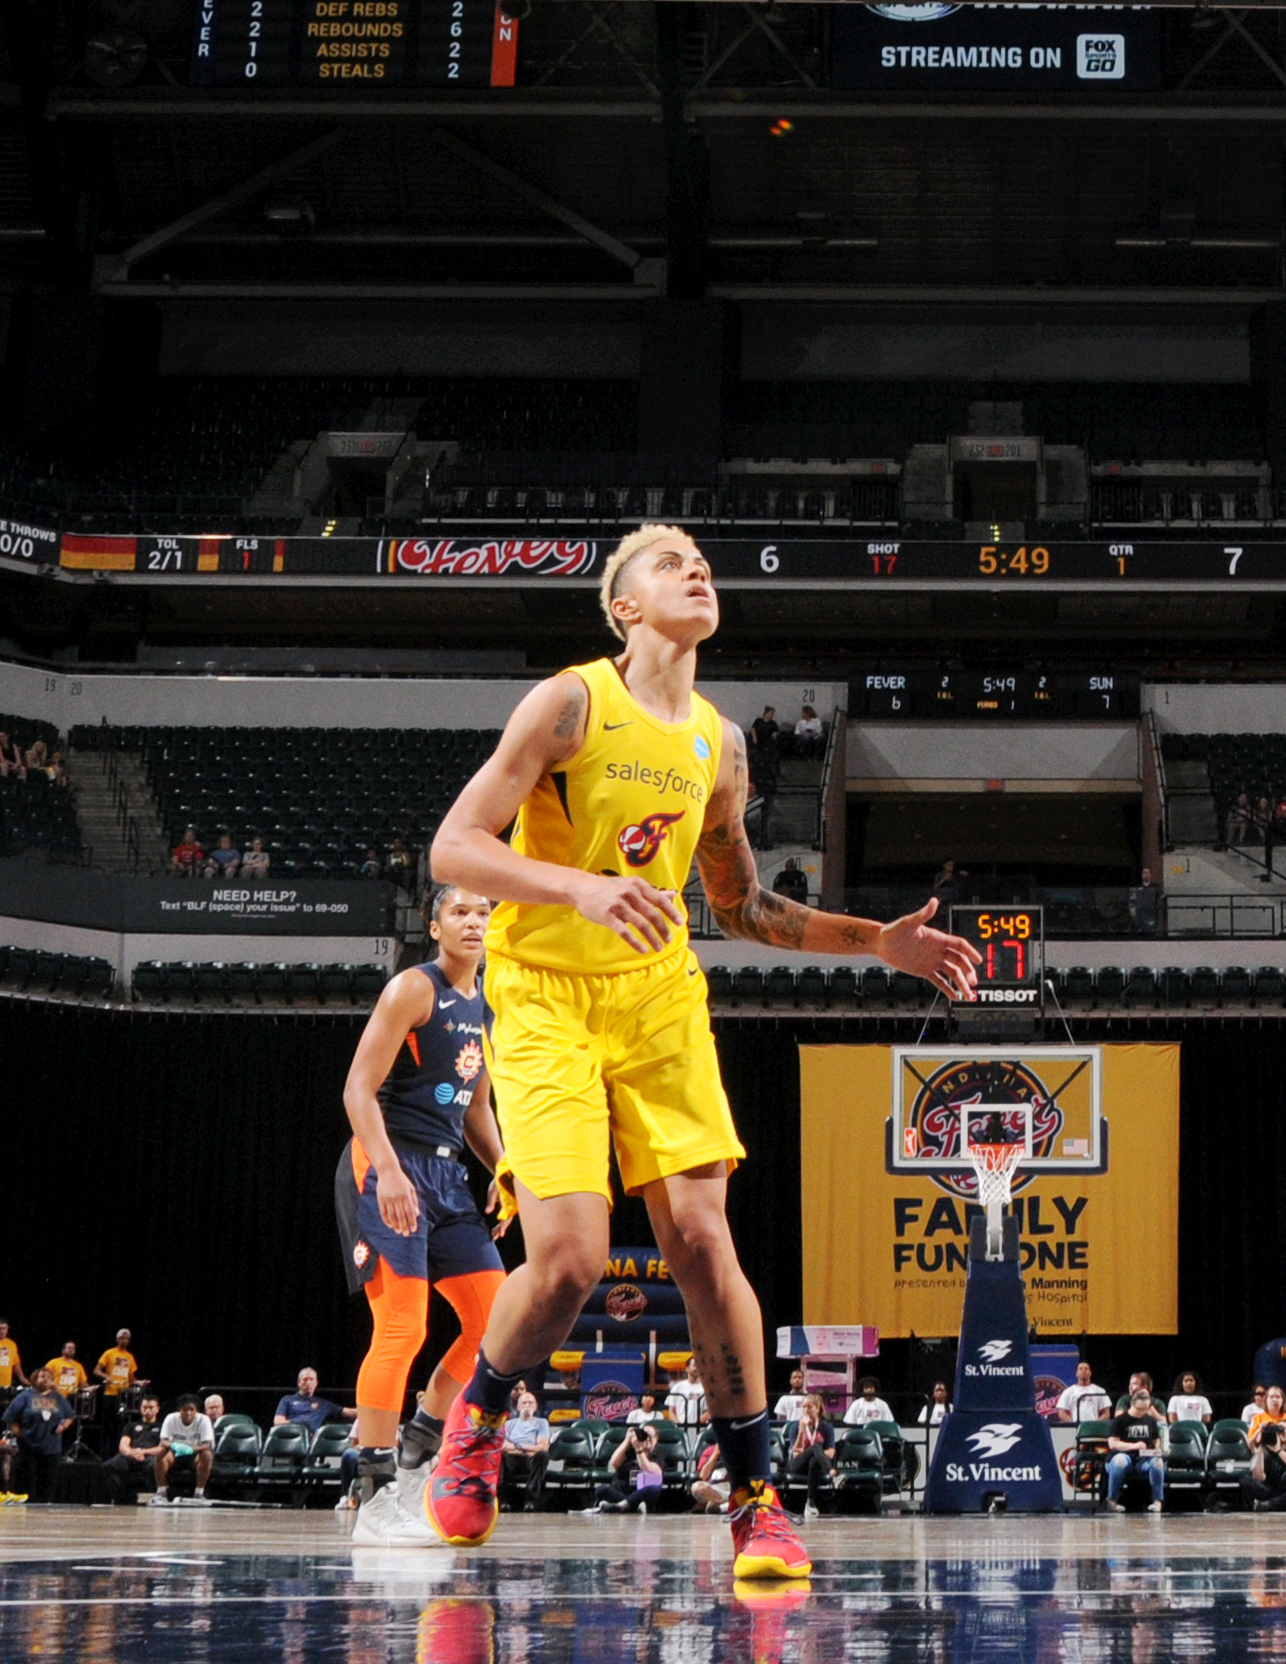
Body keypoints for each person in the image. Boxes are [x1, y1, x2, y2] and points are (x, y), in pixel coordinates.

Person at [419, 525, 978, 1579]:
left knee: (701, 1239)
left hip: (658, 998)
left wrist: (879, 945)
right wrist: (581, 887)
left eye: (704, 566)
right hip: (542, 997)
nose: (697, 573)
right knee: (573, 1262)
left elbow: (741, 904)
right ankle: (477, 1421)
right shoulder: (572, 701)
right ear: (623, 609)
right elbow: (454, 847)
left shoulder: (717, 744)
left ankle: (755, 1501)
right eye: (670, 567)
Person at [338, 885, 515, 1527]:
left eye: (483, 912)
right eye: (459, 912)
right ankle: (373, 1488)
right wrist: (386, 1170)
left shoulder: (490, 1002)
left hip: (445, 1174)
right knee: (403, 1327)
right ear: (434, 925)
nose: (473, 921)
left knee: (497, 1324)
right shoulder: (413, 989)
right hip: (385, 1158)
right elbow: (358, 1091)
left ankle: (419, 1446)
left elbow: (475, 1108)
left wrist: (506, 1167)